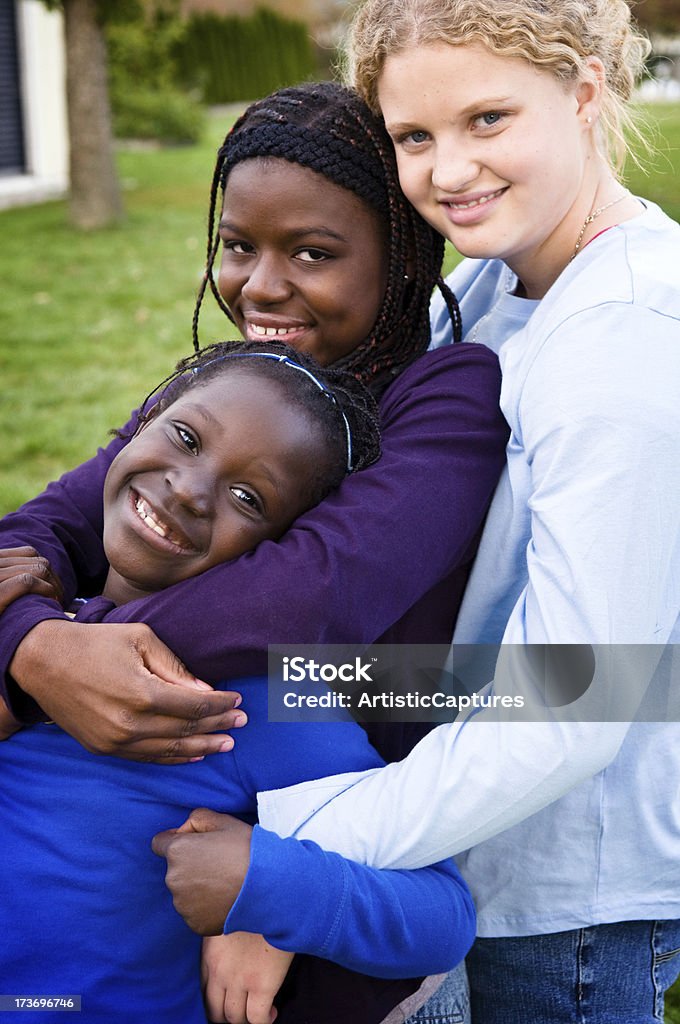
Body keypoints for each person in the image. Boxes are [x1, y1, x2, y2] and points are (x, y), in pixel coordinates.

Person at [150, 5, 680, 1024]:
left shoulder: (617, 339)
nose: (447, 170)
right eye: (413, 136)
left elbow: (575, 700)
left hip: (561, 892)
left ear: (579, 93)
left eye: (487, 118)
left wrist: (292, 859)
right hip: (457, 822)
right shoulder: (500, 275)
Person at [0, 83, 508, 1023]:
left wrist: (47, 656)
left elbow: (302, 600)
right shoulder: (236, 396)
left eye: (312, 254)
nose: (261, 287)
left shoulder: (446, 398)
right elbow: (40, 528)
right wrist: (33, 633)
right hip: (190, 864)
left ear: (402, 259)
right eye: (239, 247)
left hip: (359, 861)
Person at [0, 338, 478, 1024]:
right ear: (145, 417)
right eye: (187, 437)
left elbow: (442, 918)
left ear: (281, 544)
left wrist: (268, 885)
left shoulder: (251, 707)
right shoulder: (23, 604)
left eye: (249, 497)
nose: (190, 491)